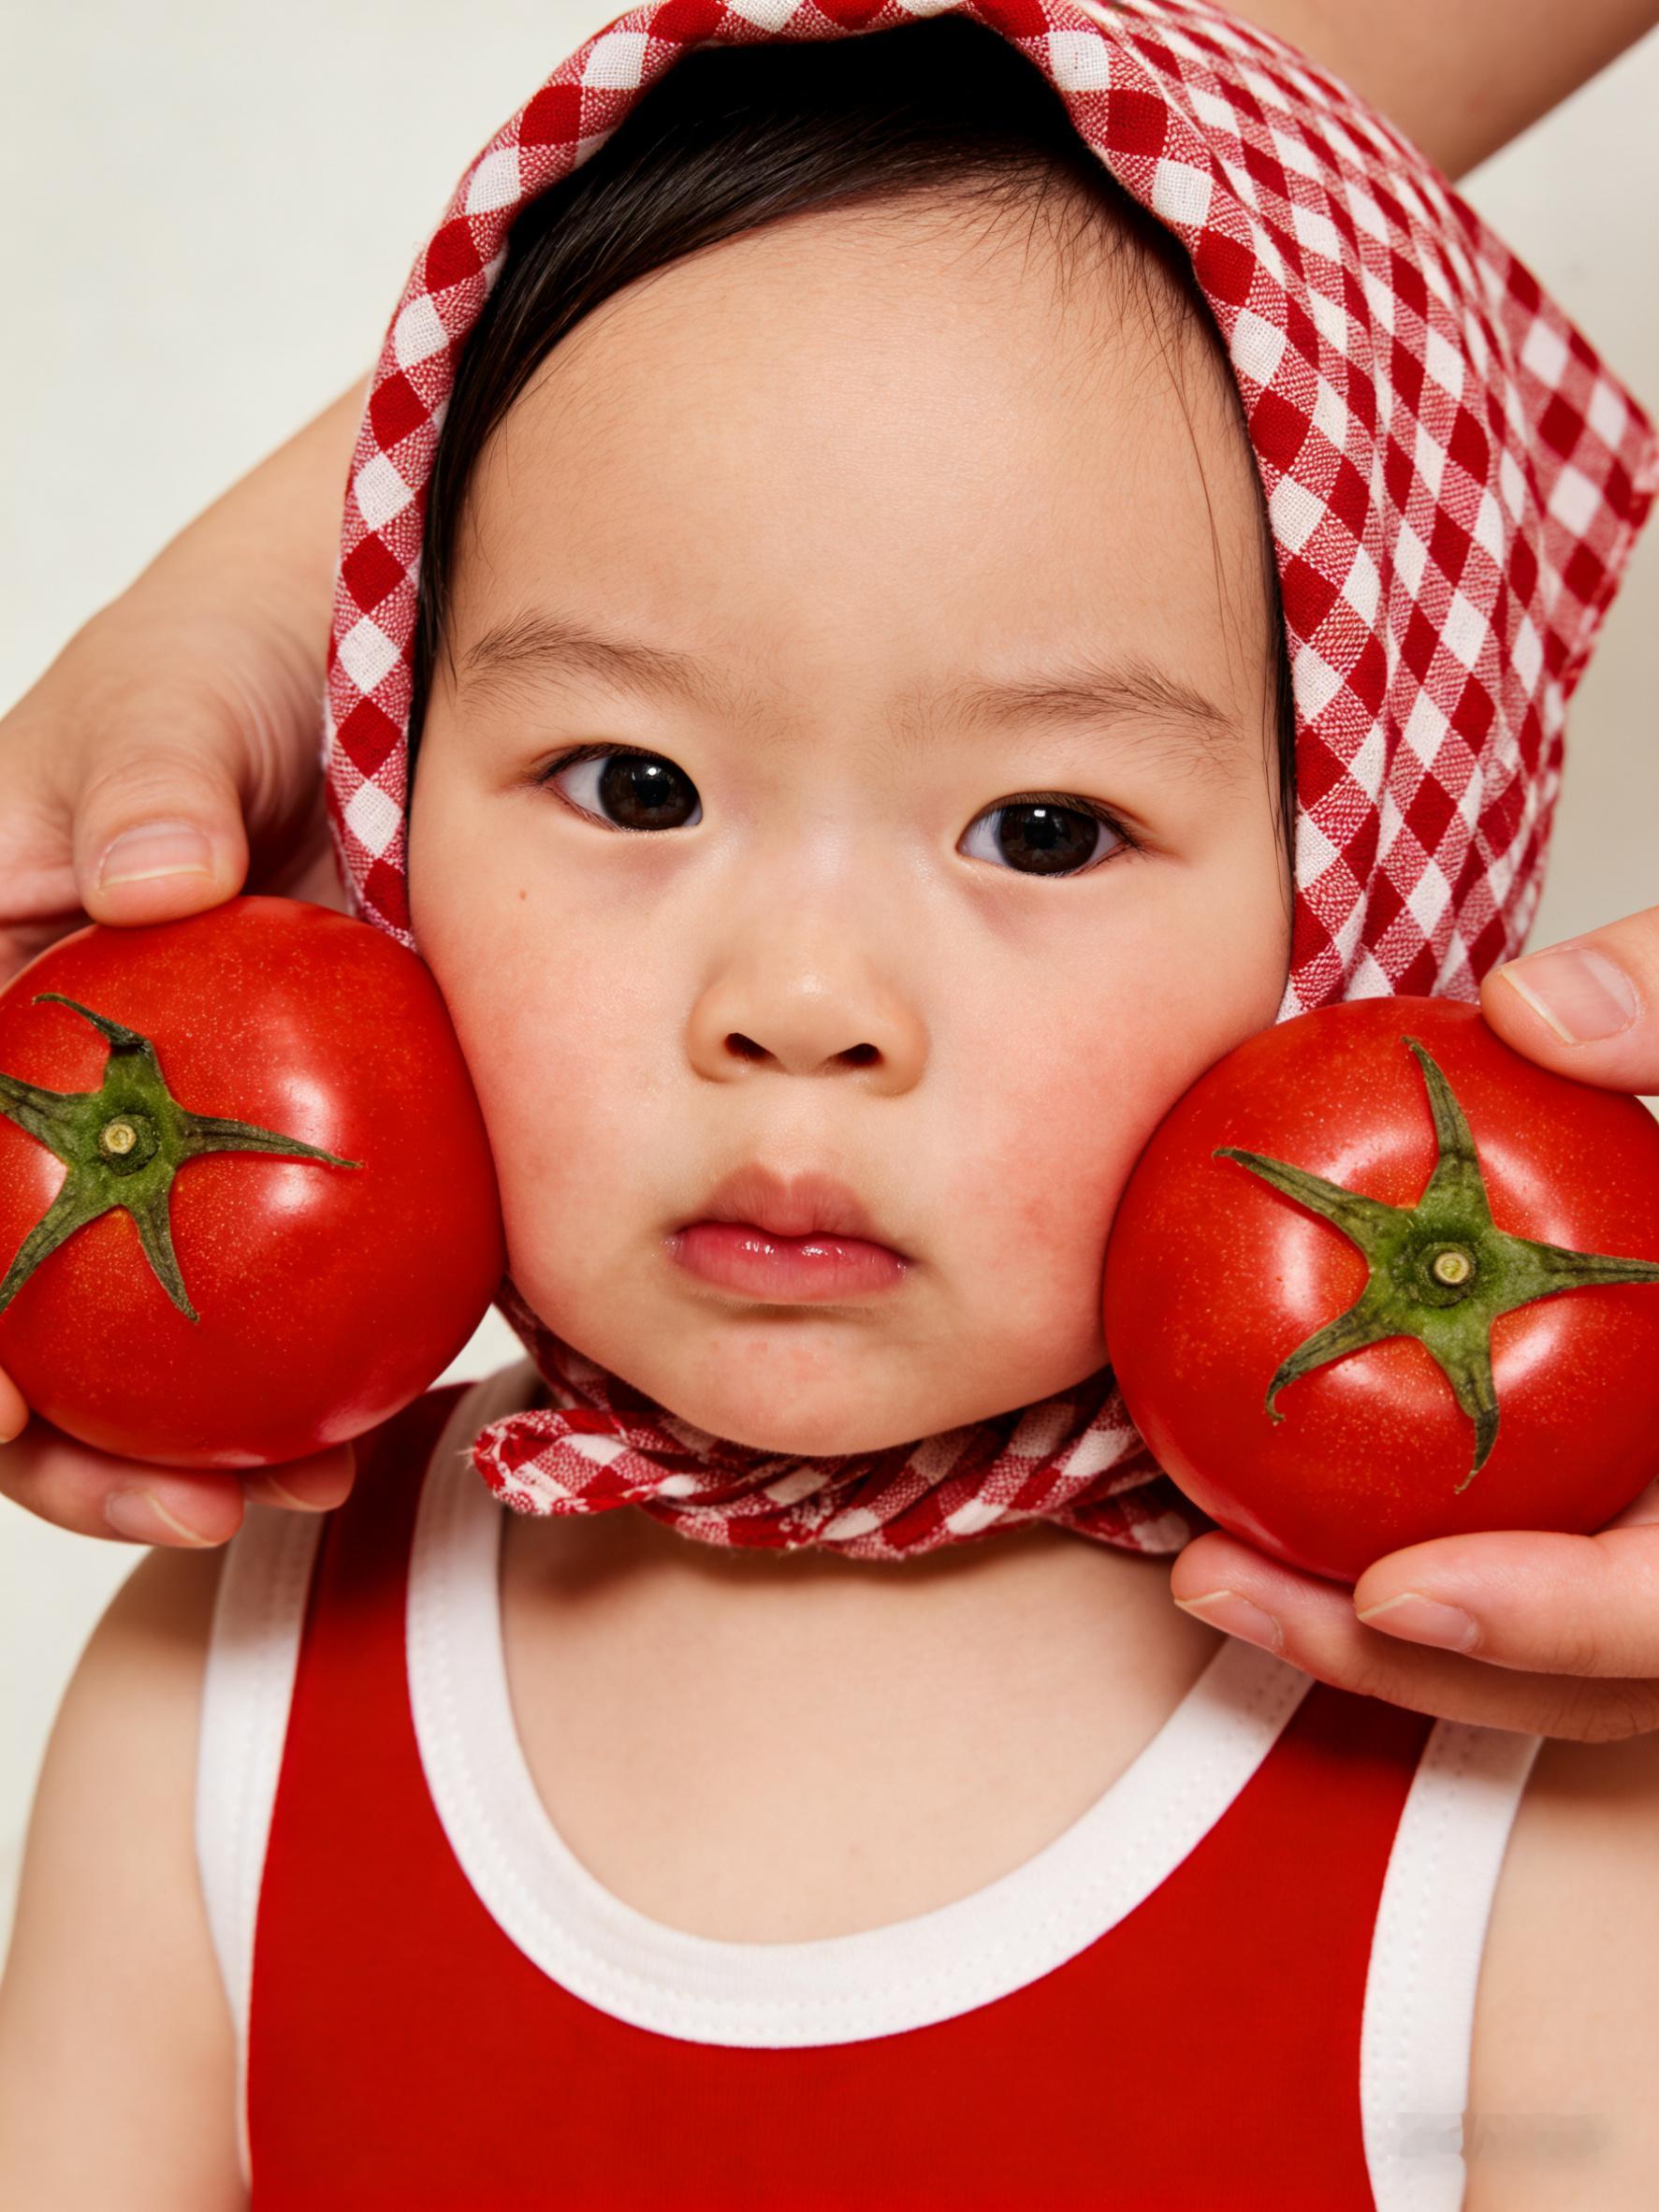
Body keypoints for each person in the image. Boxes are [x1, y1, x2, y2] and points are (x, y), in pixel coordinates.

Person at [0, 1, 1657, 2202]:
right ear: (385, 797)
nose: (794, 1005)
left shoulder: (1526, 1775)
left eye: (1043, 832)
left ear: (1372, 902)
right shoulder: (226, 1682)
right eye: (632, 784)